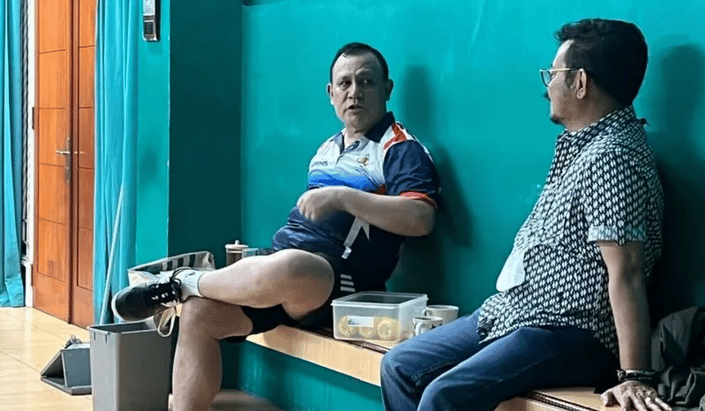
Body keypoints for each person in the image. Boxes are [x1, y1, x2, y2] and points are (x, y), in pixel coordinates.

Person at [111, 42, 440, 411]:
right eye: (345, 83)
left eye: (366, 82)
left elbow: (420, 218)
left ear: (386, 89)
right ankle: (189, 297)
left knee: (290, 266)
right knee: (200, 312)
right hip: (286, 272)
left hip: (343, 285)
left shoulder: (399, 147)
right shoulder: (327, 149)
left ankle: (181, 281)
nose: (354, 92)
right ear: (330, 93)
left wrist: (342, 197)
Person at [381, 19, 670, 411]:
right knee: (400, 365)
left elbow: (628, 271)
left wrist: (635, 375)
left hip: (571, 329)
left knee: (444, 395)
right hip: (516, 311)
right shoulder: (583, 146)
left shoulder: (612, 157)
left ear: (580, 82)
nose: (547, 87)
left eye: (554, 74)